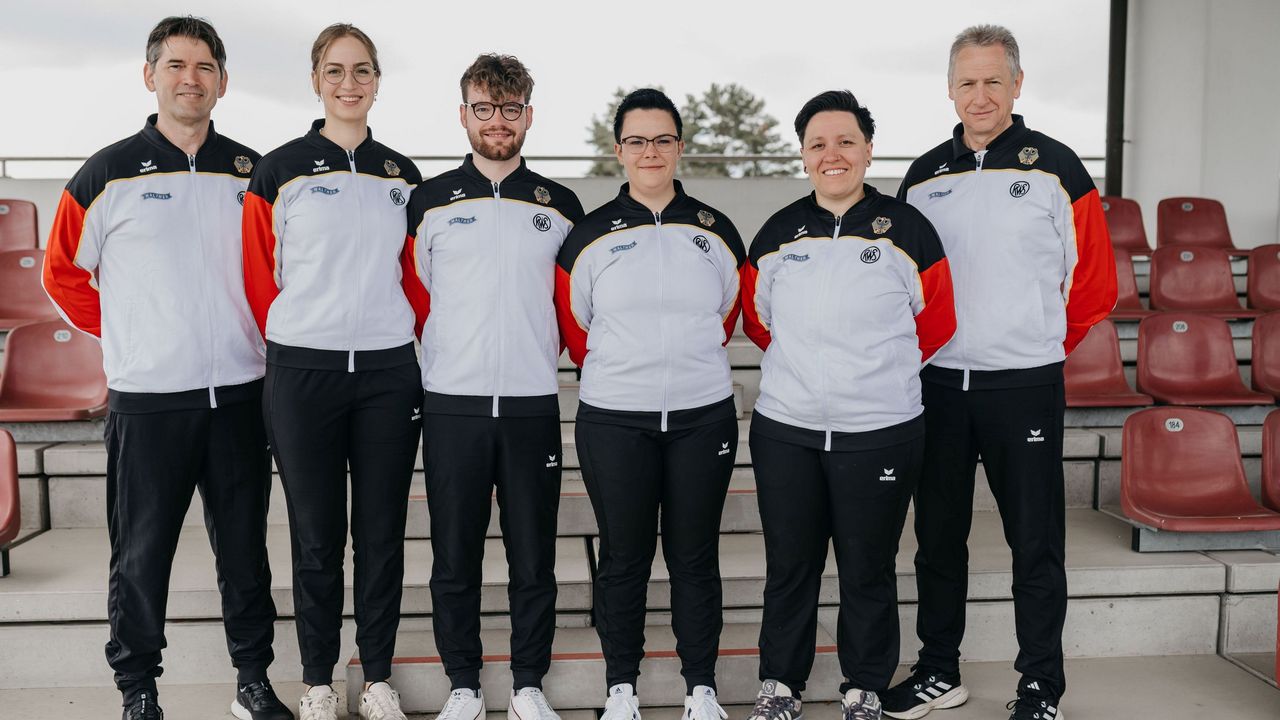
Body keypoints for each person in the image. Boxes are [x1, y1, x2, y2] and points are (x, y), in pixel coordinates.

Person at [42, 15, 291, 720]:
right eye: (177, 65)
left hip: (241, 395)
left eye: (205, 67)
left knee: (245, 551)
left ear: (223, 81)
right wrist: (127, 334)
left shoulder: (254, 172)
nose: (192, 79)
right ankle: (138, 689)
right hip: (149, 400)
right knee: (141, 553)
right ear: (149, 75)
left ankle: (251, 680)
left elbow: (279, 271)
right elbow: (62, 274)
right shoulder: (107, 171)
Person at [883, 25, 1116, 720]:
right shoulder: (924, 176)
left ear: (1016, 84)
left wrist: (1037, 344)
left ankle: (1040, 685)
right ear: (949, 89)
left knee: (1034, 542)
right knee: (937, 539)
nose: (978, 95)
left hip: (1024, 385)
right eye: (966, 82)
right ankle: (937, 670)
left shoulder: (1058, 168)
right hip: (941, 388)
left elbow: (1095, 283)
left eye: (992, 80)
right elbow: (907, 284)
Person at [740, 90, 956, 720]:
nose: (831, 155)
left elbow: (937, 322)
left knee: (868, 566)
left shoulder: (909, 228)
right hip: (788, 428)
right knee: (791, 565)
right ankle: (780, 685)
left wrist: (875, 377)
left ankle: (864, 686)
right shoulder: (779, 232)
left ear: (867, 149)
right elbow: (758, 319)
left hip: (880, 428)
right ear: (803, 155)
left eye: (845, 141)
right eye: (817, 144)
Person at [241, 23, 423, 720]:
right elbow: (259, 275)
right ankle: (317, 681)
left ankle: (376, 678)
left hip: (386, 373)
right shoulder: (278, 169)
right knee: (317, 536)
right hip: (302, 372)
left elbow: (414, 277)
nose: (351, 83)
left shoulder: (401, 176)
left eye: (364, 70)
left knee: (380, 534)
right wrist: (294, 336)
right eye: (337, 70)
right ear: (317, 79)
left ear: (377, 80)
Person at [554, 88, 745, 720]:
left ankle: (701, 689)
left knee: (694, 556)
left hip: (701, 415)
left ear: (680, 146)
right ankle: (621, 689)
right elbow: (577, 327)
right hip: (615, 417)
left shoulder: (716, 230)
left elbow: (727, 315)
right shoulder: (587, 236)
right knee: (624, 556)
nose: (650, 151)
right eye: (637, 140)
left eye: (663, 138)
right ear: (619, 151)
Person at [402, 53, 584, 720]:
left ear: (528, 115)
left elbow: (572, 308)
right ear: (464, 115)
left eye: (510, 110)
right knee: (454, 556)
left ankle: (528, 683)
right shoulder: (429, 203)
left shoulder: (560, 205)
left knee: (534, 555)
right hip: (452, 403)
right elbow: (416, 297)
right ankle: (464, 686)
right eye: (485, 108)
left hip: (533, 401)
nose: (498, 122)